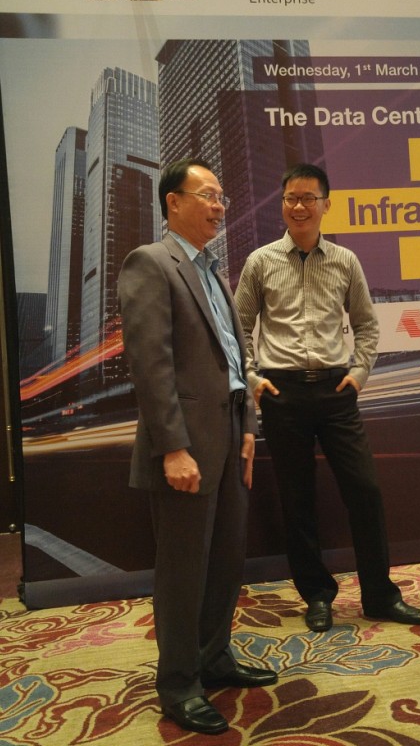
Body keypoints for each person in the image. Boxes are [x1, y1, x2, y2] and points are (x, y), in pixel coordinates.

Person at [234, 162, 420, 633]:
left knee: (365, 490)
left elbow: (366, 324)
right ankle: (317, 596)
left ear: (326, 204)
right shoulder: (260, 261)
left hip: (335, 391)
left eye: (308, 198)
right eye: (290, 198)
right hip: (281, 393)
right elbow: (238, 327)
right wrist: (253, 377)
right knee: (297, 499)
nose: (299, 206)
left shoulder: (345, 261)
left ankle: (380, 595)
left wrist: (359, 374)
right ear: (282, 204)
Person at [118, 157, 277, 736]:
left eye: (222, 197)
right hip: (186, 444)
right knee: (183, 569)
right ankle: (179, 684)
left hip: (230, 435)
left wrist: (249, 429)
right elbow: (151, 365)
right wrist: (173, 448)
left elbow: (236, 360)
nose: (218, 206)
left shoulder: (213, 271)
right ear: (174, 202)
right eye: (208, 194)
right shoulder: (151, 262)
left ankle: (214, 657)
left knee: (225, 560)